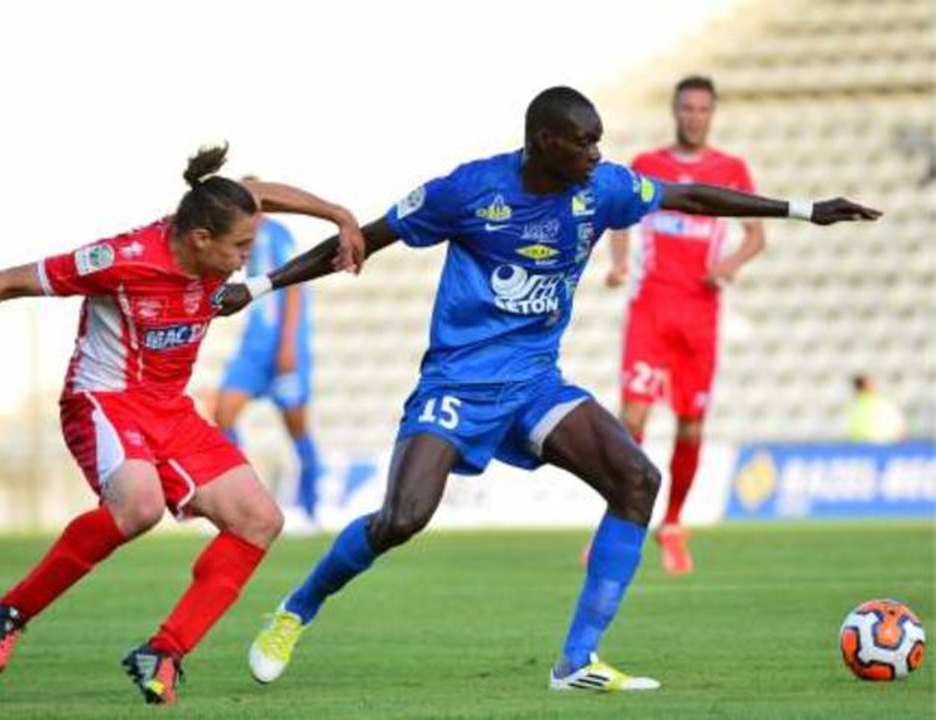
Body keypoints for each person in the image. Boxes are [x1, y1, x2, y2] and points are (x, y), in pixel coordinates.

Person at [212, 86, 879, 692]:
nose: (596, 154)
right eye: (583, 142)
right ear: (543, 141)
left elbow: (691, 198)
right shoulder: (468, 191)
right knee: (402, 519)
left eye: (598, 141)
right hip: (458, 382)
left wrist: (804, 210)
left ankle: (576, 661)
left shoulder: (602, 189)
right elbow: (362, 242)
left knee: (636, 480)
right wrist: (259, 286)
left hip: (534, 382)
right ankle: (296, 608)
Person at [0, 144, 364, 705]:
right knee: (139, 506)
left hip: (170, 408)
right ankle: (8, 613)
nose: (247, 259)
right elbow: (4, 281)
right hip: (104, 399)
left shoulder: (219, 212)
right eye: (241, 247)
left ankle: (165, 652)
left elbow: (256, 192)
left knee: (258, 519)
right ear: (201, 239)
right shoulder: (120, 260)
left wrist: (339, 215)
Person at [604, 75, 765, 575]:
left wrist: (729, 265)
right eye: (687, 108)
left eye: (702, 109)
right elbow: (620, 217)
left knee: (692, 422)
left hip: (700, 314)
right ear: (674, 111)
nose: (694, 116)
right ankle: (620, 521)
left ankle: (672, 524)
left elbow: (756, 236)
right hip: (651, 309)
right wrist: (619, 263)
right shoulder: (648, 165)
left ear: (712, 114)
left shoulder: (730, 170)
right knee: (632, 419)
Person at [199, 192, 320, 531]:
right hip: (253, 348)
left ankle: (311, 510)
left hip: (283, 348)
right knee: (223, 413)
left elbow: (294, 287)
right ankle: (240, 503)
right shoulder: (236, 236)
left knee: (297, 428)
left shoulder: (277, 235)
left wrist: (288, 345)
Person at [846, 374, 907, 443]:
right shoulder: (855, 405)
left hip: (882, 443)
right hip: (864, 443)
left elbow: (898, 425)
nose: (872, 386)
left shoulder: (882, 402)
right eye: (868, 384)